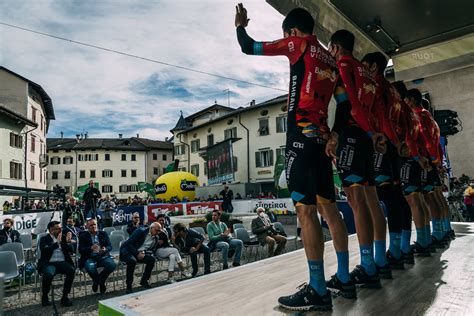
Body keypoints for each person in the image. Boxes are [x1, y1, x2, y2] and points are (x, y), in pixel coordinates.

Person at [236, 4, 354, 309]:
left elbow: (249, 47)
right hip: (323, 139)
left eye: (285, 33)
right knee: (331, 209)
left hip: (300, 137)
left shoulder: (298, 44)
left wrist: (240, 27)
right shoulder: (331, 60)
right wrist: (337, 135)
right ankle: (344, 276)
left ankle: (317, 289)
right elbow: (345, 104)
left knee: (306, 211)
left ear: (292, 31)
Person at [327, 29, 389, 288]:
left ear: (335, 47)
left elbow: (348, 103)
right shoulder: (368, 75)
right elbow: (376, 111)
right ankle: (375, 261)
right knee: (370, 200)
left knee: (356, 201)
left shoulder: (342, 65)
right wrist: (375, 134)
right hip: (367, 138)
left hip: (352, 134)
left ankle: (367, 266)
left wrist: (337, 134)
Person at [37, 221, 75, 307]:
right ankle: (45, 296)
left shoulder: (63, 237)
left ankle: (65, 296)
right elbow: (45, 250)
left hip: (62, 262)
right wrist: (57, 243)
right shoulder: (44, 239)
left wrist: (68, 242)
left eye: (60, 228)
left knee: (71, 270)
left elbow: (71, 251)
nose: (60, 230)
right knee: (49, 274)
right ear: (51, 230)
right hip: (49, 263)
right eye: (58, 228)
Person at [120, 222, 160, 293]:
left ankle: (144, 281)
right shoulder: (140, 231)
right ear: (151, 228)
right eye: (156, 230)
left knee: (151, 260)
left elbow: (152, 250)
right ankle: (129, 286)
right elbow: (128, 244)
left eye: (159, 231)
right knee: (132, 261)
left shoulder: (156, 238)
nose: (158, 232)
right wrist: (137, 253)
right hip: (128, 251)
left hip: (141, 253)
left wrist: (144, 253)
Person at [79, 219, 116, 294]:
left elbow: (109, 246)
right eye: (91, 225)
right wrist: (90, 248)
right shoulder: (83, 236)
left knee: (112, 265)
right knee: (90, 267)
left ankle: (97, 281)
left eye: (95, 224)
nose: (93, 226)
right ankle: (101, 283)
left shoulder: (103, 233)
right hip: (89, 257)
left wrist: (105, 249)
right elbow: (81, 250)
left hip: (102, 256)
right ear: (87, 226)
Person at [154, 218, 191, 283]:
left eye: (163, 220)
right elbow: (154, 242)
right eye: (160, 220)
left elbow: (171, 240)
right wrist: (157, 241)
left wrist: (173, 241)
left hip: (168, 249)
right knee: (175, 250)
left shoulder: (167, 230)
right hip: (159, 250)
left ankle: (170, 277)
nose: (162, 221)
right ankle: (183, 270)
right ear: (157, 221)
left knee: (173, 256)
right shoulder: (156, 230)